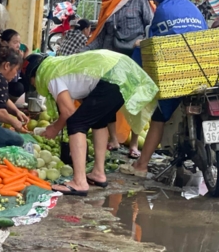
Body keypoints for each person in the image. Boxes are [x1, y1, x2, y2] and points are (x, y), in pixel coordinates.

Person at [25, 50, 158, 196]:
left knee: (76, 124)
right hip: (121, 74)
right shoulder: (58, 66)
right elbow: (85, 101)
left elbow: (69, 112)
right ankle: (98, 173)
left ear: (34, 76)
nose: (35, 87)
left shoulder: (50, 75)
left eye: (32, 83)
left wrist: (55, 128)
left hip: (113, 76)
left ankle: (79, 182)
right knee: (98, 122)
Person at [124, 0, 208, 178]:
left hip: (175, 72)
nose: (154, 0)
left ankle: (141, 166)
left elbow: (153, 43)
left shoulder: (163, 9)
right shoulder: (193, 8)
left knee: (158, 118)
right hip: (202, 71)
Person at [87, 0, 154, 159]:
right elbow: (100, 35)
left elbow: (151, 27)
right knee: (107, 99)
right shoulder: (107, 2)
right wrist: (81, 52)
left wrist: (143, 43)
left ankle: (134, 144)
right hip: (111, 60)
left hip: (134, 59)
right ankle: (114, 139)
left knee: (136, 101)